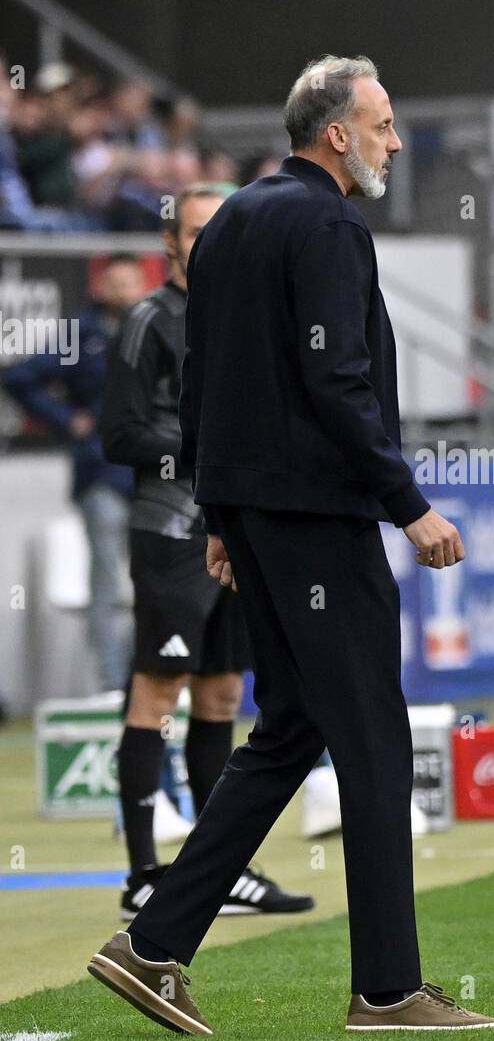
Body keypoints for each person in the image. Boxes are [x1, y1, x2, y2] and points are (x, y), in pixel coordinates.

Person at [88, 55, 494, 1035]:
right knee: (373, 739)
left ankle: (152, 945)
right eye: (385, 123)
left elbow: (203, 385)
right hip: (319, 519)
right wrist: (410, 503)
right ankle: (389, 989)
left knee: (287, 732)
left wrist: (225, 515)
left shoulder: (227, 220)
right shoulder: (324, 221)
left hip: (259, 516)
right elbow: (336, 383)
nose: (395, 141)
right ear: (336, 135)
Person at [99, 183, 312, 922]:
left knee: (223, 694)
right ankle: (142, 873)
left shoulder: (248, 316)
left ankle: (218, 870)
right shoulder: (147, 321)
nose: (210, 243)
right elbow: (121, 436)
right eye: (195, 232)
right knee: (158, 693)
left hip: (236, 532)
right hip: (171, 533)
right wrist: (210, 448)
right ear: (170, 244)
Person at [2, 254, 145, 690]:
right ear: (101, 286)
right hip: (101, 472)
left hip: (155, 472)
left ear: (143, 285)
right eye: (114, 283)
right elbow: (20, 376)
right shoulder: (79, 332)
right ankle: (113, 687)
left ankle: (156, 681)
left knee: (157, 581)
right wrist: (67, 419)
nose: (122, 291)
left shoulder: (158, 325)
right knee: (105, 579)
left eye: (130, 283)